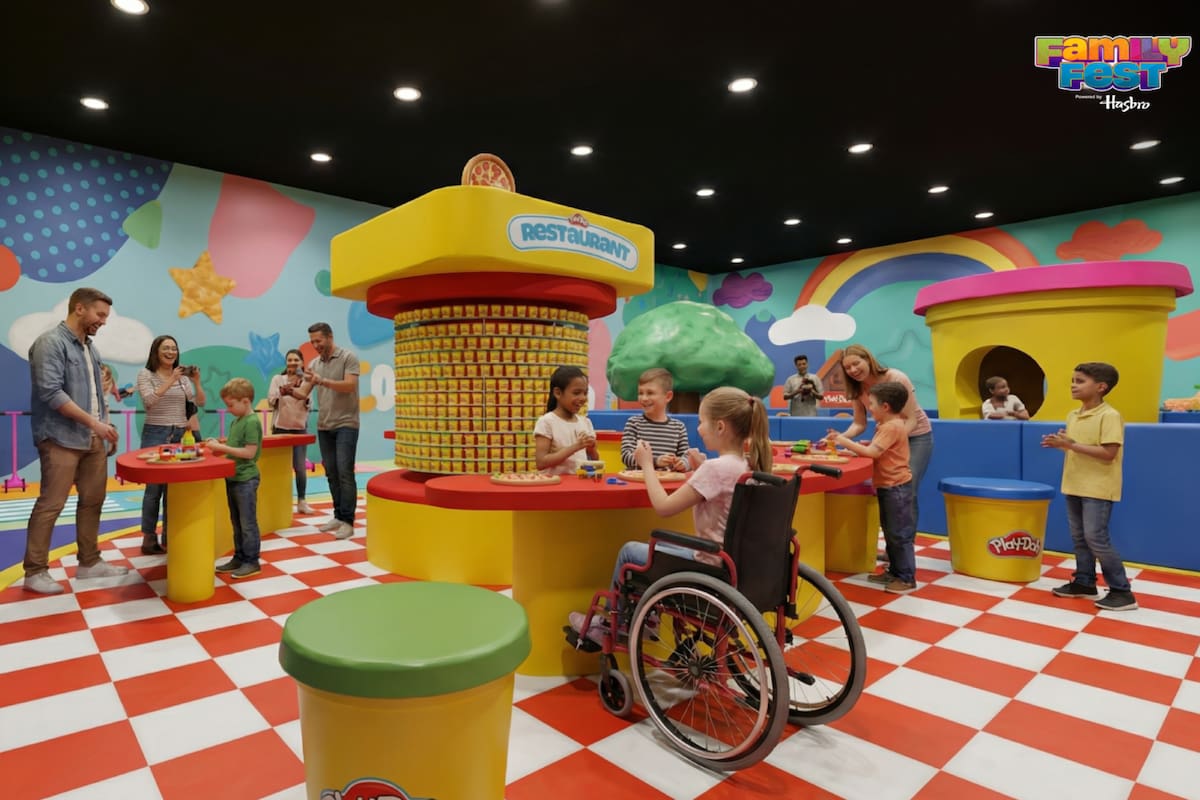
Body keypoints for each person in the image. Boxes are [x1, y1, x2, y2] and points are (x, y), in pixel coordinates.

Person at [570, 386, 771, 642]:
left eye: (702, 422)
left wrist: (646, 464)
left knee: (630, 551)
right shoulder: (748, 465)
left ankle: (615, 624)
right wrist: (700, 468)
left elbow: (663, 507)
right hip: (735, 565)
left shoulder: (715, 469)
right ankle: (647, 619)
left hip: (709, 568)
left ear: (720, 427)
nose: (699, 428)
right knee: (663, 546)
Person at [23, 287, 128, 595]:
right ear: (79, 309)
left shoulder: (90, 348)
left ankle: (89, 563)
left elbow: (97, 393)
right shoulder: (50, 344)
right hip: (59, 437)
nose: (103, 321)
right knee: (51, 503)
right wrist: (94, 423)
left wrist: (104, 425)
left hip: (92, 436)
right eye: (100, 314)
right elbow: (51, 393)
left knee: (93, 500)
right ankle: (35, 571)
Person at [1042, 362, 1137, 611]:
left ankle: (1121, 591)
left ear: (1101, 387)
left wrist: (1071, 444)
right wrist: (1061, 444)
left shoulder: (1109, 415)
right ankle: (1084, 582)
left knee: (1096, 538)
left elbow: (1108, 453)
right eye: (1072, 380)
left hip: (1098, 486)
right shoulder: (1074, 415)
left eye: (1080, 381)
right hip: (1074, 483)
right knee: (1080, 538)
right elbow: (1076, 447)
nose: (1073, 385)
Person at [829, 382, 917, 594]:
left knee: (898, 534)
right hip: (889, 486)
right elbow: (876, 449)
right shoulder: (889, 426)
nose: (870, 408)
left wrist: (843, 440)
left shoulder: (891, 427)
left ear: (885, 407)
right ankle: (895, 571)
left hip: (896, 487)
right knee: (890, 532)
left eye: (872, 404)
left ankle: (906, 578)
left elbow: (872, 453)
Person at [838, 344, 933, 528]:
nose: (853, 370)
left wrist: (885, 443)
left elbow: (910, 419)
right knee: (887, 489)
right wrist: (840, 438)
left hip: (917, 436)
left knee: (907, 489)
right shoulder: (857, 389)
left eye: (856, 363)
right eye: (847, 368)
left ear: (868, 359)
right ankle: (894, 543)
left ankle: (905, 545)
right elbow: (859, 423)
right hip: (889, 438)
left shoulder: (896, 378)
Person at [136, 335, 205, 554]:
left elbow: (198, 403)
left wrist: (195, 381)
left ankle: (169, 535)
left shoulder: (183, 378)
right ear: (156, 351)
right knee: (154, 489)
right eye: (166, 348)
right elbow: (149, 401)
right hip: (156, 433)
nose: (170, 352)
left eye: (174, 348)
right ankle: (148, 537)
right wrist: (171, 380)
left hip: (179, 434)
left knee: (173, 490)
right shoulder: (146, 374)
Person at [300, 322, 359, 539]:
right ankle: (337, 515)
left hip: (346, 423)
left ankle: (348, 521)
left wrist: (321, 380)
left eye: (319, 340)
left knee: (345, 472)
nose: (316, 345)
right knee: (331, 473)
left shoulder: (348, 357)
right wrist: (290, 390)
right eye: (312, 341)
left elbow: (349, 386)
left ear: (330, 337)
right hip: (324, 425)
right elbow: (304, 391)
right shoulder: (314, 363)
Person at [207, 378, 264, 579]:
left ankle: (252, 560)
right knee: (237, 521)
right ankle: (240, 556)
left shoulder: (251, 422)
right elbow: (236, 446)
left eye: (231, 405)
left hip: (246, 478)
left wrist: (221, 448)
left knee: (247, 522)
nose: (229, 409)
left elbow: (249, 452)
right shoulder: (237, 421)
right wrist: (221, 443)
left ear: (246, 401)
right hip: (233, 477)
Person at [268, 348, 314, 514]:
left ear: (302, 362)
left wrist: (298, 392)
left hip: (299, 429)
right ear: (286, 363)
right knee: (279, 467)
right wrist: (283, 391)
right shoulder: (278, 379)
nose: (293, 363)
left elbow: (310, 404)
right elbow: (270, 400)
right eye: (290, 360)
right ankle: (278, 501)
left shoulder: (306, 381)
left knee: (300, 467)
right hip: (280, 428)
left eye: (296, 360)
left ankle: (301, 500)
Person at [619, 368, 691, 471]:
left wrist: (682, 464)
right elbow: (626, 456)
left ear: (668, 396)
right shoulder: (634, 423)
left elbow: (686, 456)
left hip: (665, 482)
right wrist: (655, 461)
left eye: (650, 393)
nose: (644, 398)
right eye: (640, 393)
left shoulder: (678, 427)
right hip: (638, 482)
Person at [534, 366, 599, 475]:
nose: (583, 398)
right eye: (576, 393)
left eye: (585, 393)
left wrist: (592, 448)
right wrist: (575, 447)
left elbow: (594, 460)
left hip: (579, 485)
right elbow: (541, 463)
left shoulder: (585, 422)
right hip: (555, 486)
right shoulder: (547, 422)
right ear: (558, 393)